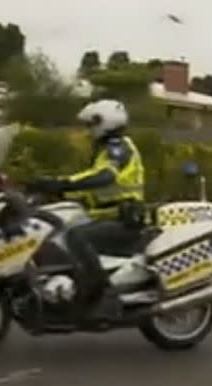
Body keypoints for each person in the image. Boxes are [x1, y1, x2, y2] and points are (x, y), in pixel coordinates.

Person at [29, 99, 146, 322]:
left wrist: (61, 183)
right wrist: (54, 193)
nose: (88, 131)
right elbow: (92, 190)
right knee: (58, 230)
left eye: (91, 124)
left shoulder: (118, 149)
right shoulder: (105, 150)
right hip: (108, 217)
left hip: (123, 221)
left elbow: (104, 177)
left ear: (105, 122)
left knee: (77, 236)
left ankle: (102, 297)